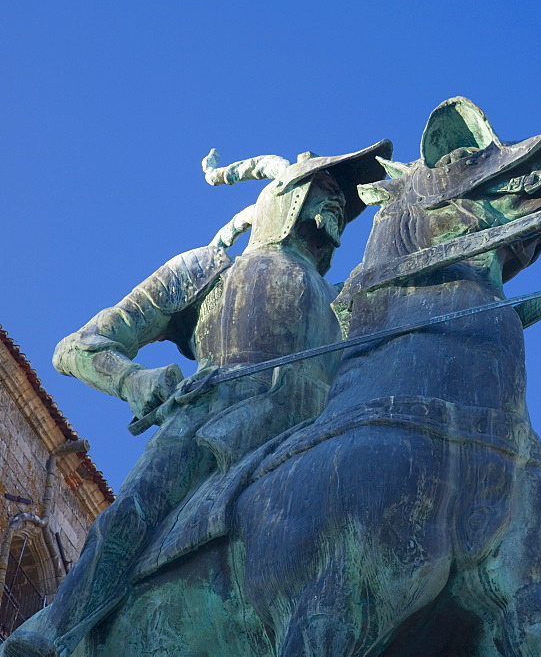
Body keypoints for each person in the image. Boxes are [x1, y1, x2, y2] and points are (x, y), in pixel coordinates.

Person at [1, 141, 389, 657]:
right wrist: (135, 381)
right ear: (285, 199)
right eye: (324, 187)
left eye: (344, 193)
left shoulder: (346, 305)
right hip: (213, 424)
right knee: (132, 515)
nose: (339, 200)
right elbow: (78, 347)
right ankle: (53, 632)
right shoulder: (208, 270)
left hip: (317, 439)